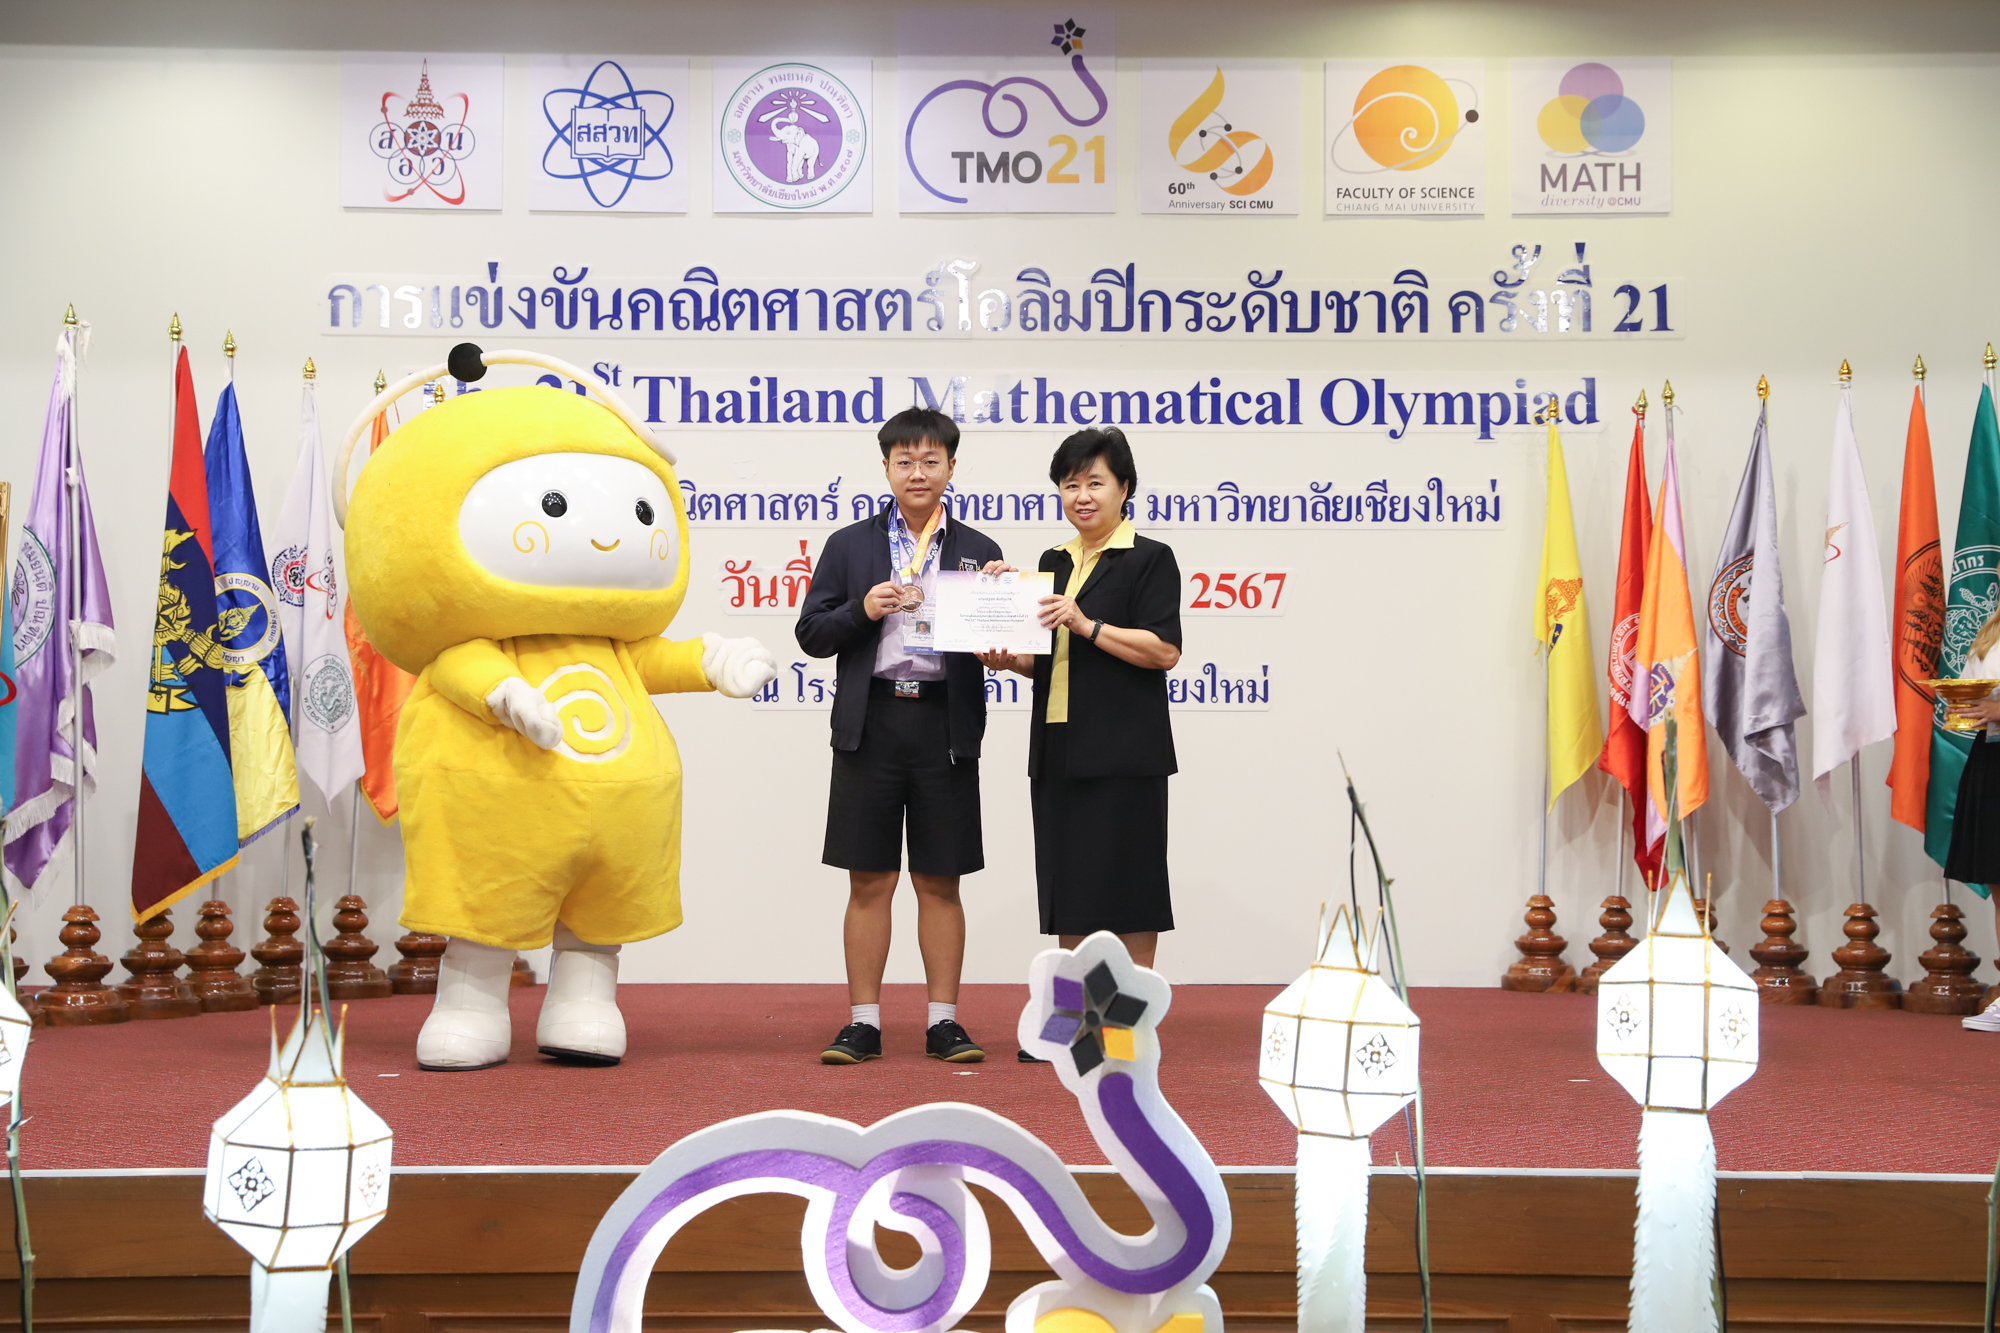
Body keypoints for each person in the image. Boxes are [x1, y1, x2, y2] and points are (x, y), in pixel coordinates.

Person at [796, 408, 1004, 1065]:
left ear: (951, 467)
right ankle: (863, 1023)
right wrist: (863, 609)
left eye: (931, 461)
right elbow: (811, 634)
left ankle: (944, 1023)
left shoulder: (978, 550)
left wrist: (1004, 621)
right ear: (885, 467)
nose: (918, 472)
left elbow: (1002, 642)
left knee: (941, 881)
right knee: (870, 879)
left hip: (945, 724)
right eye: (905, 461)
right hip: (872, 723)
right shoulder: (849, 546)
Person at [981, 426, 1183, 987]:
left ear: (1125, 488)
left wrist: (1086, 623)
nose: (1082, 496)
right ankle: (1073, 1014)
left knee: (1132, 887)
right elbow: (1048, 658)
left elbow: (1164, 651)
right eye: (1070, 485)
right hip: (1059, 746)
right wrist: (1008, 658)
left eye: (1096, 482)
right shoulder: (1054, 560)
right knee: (1069, 888)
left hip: (1125, 749)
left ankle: (1129, 1014)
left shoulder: (1150, 558)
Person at [1944, 605, 2000, 1032]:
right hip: (1992, 759)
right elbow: (1973, 695)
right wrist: (1964, 707)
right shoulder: (1990, 633)